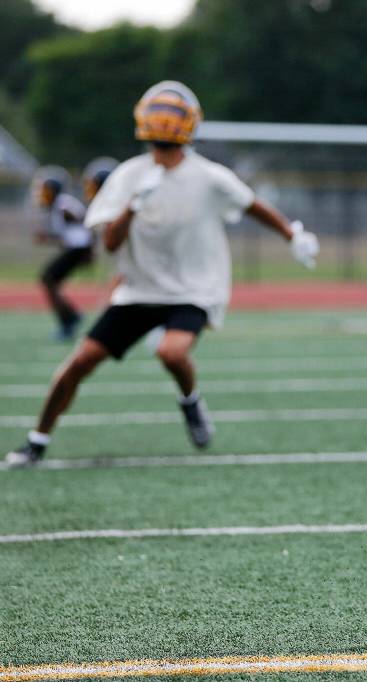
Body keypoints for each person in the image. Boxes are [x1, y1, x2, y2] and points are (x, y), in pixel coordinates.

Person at [5, 81, 320, 466]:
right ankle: (37, 441)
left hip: (193, 288)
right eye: (160, 115)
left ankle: (190, 401)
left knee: (170, 352)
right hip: (139, 290)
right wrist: (134, 205)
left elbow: (252, 204)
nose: (165, 123)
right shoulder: (128, 176)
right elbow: (112, 244)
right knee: (79, 362)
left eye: (172, 116)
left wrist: (292, 235)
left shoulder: (209, 176)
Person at [31, 165, 92, 341]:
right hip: (75, 248)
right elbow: (68, 233)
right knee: (50, 281)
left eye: (46, 191)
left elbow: (83, 224)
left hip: (78, 249)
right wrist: (48, 238)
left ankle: (70, 318)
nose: (43, 195)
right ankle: (70, 316)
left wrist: (89, 251)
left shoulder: (64, 205)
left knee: (48, 278)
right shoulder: (60, 205)